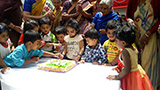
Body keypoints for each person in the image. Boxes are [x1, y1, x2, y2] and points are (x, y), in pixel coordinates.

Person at [107, 23, 154, 90]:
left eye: (116, 41)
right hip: (138, 73)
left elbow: (127, 69)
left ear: (123, 43)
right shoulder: (133, 48)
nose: (115, 42)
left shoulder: (125, 52)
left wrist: (117, 77)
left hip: (130, 76)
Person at [126, 0, 160, 89]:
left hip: (151, 38)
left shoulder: (155, 2)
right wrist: (129, 20)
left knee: (149, 66)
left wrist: (149, 33)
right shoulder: (132, 2)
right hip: (136, 37)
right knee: (136, 66)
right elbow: (127, 17)